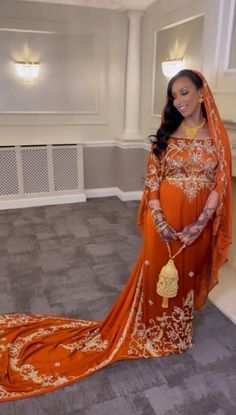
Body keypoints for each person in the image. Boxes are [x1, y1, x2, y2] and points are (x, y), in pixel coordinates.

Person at [0, 70, 232, 401]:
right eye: (174, 95)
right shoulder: (167, 135)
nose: (179, 101)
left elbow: (221, 185)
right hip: (162, 221)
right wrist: (161, 221)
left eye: (184, 93)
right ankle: (151, 332)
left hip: (198, 225)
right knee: (156, 277)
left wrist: (200, 224)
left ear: (201, 93)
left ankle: (176, 336)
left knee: (185, 277)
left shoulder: (217, 138)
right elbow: (152, 182)